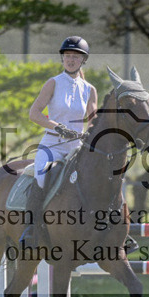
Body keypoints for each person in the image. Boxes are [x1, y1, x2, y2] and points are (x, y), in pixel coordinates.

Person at [20, 36, 97, 248]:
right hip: (52, 144)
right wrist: (58, 127)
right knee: (42, 175)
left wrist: (89, 133)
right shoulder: (53, 83)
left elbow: (93, 120)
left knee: (97, 176)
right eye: (67, 56)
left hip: (76, 148)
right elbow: (34, 114)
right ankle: (31, 228)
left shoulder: (89, 89)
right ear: (62, 58)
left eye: (75, 57)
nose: (71, 60)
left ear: (83, 61)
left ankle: (109, 226)